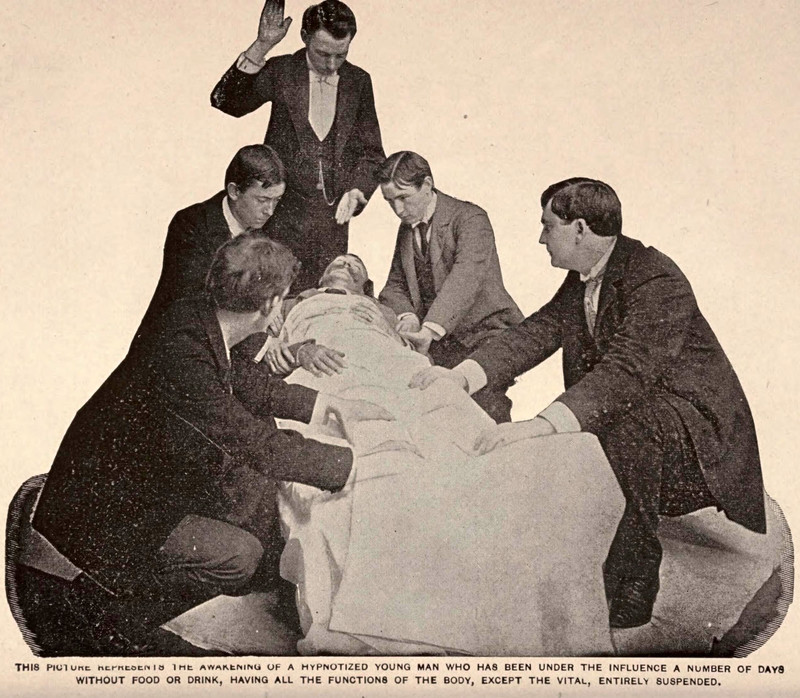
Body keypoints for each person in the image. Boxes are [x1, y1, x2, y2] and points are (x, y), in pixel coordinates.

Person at [410, 177, 767, 629]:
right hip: (636, 409)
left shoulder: (656, 277)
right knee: (604, 428)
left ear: (579, 229)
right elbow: (537, 332)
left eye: (548, 226)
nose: (541, 238)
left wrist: (539, 424)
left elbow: (626, 371)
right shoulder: (585, 276)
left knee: (628, 426)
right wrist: (461, 376)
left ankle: (636, 580)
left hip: (698, 435)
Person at [32, 234, 391, 653]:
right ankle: (109, 617)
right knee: (241, 556)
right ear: (272, 304)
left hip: (117, 484)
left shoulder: (194, 319)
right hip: (100, 512)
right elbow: (258, 444)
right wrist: (355, 465)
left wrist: (328, 405)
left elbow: (248, 383)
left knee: (249, 505)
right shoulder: (183, 353)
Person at [211, 0, 385, 292]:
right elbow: (226, 102)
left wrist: (357, 191)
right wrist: (262, 45)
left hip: (331, 228)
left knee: (321, 306)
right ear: (304, 37)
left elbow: (372, 154)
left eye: (341, 55)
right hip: (278, 220)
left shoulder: (359, 81)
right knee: (270, 298)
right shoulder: (282, 71)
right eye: (323, 54)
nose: (332, 64)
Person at [376, 151, 524, 423]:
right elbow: (395, 284)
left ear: (428, 185)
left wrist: (428, 330)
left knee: (486, 415)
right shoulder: (407, 227)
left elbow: (465, 278)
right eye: (389, 201)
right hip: (440, 343)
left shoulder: (470, 218)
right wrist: (408, 316)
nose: (398, 209)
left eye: (403, 198)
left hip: (486, 335)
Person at [133, 143, 287, 348]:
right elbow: (198, 305)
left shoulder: (268, 228)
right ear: (234, 191)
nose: (270, 211)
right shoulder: (190, 224)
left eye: (276, 200)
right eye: (262, 200)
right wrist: (262, 342)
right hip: (176, 345)